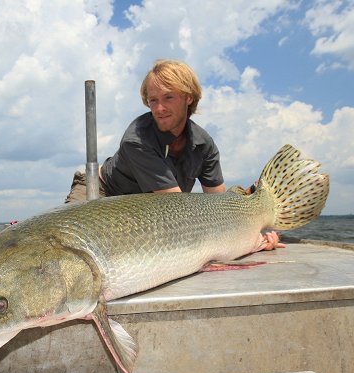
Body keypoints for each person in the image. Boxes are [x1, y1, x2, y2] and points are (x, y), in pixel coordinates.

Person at [65, 59, 282, 250]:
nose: (159, 108)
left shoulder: (204, 144)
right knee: (66, 244)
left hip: (152, 210)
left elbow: (219, 206)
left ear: (188, 98)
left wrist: (257, 237)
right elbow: (178, 210)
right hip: (103, 192)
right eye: (153, 100)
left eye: (168, 98)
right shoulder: (136, 140)